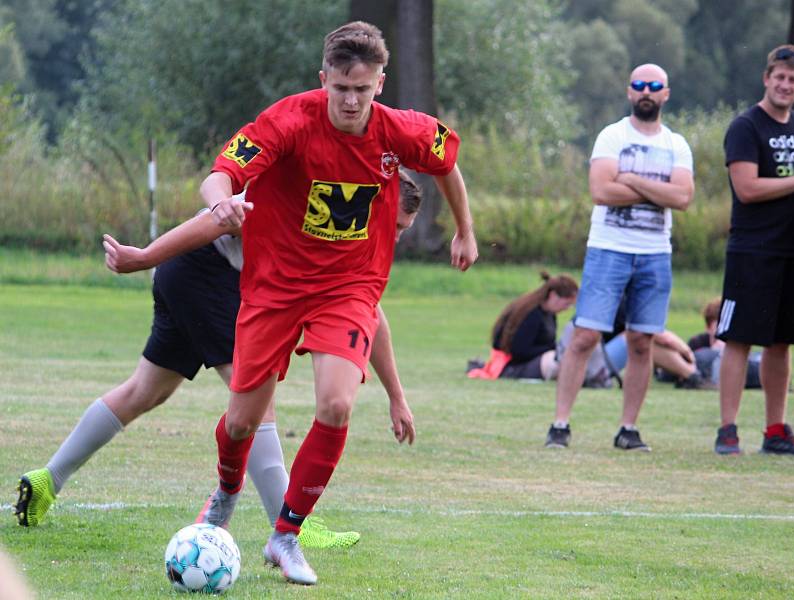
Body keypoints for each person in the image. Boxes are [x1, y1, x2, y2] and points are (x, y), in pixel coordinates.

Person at [173, 21, 476, 586]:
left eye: (362, 89)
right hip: (275, 289)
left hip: (349, 288)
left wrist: (465, 229)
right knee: (240, 423)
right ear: (324, 80)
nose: (351, 101)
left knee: (337, 405)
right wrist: (222, 208)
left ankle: (286, 535)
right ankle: (225, 493)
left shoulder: (400, 130)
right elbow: (220, 175)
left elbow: (447, 163)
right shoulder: (287, 120)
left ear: (380, 83)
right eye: (341, 88)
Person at [14, 172, 424, 553]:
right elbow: (215, 221)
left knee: (146, 391)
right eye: (399, 225)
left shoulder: (354, 233)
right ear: (379, 202)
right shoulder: (314, 202)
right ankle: (289, 525)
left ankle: (48, 480)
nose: (399, 236)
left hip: (192, 277)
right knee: (257, 399)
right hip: (204, 274)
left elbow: (369, 309)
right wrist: (143, 257)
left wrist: (397, 396)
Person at [545, 63, 695, 451]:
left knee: (642, 342)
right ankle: (560, 424)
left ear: (666, 93)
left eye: (654, 86)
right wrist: (657, 189)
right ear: (629, 92)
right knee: (584, 337)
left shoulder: (676, 145)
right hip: (608, 249)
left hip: (654, 254)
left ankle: (628, 429)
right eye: (639, 85)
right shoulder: (612, 136)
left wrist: (630, 180)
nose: (646, 91)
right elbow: (601, 191)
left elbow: (683, 198)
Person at [713, 45, 794, 456]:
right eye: (780, 77)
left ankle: (775, 429)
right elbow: (747, 189)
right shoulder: (746, 126)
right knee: (739, 339)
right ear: (766, 79)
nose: (786, 85)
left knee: (781, 342)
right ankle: (728, 429)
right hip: (752, 252)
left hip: (792, 253)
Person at [466, 272, 577, 380]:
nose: (567, 308)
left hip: (529, 361)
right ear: (553, 295)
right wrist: (552, 349)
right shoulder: (532, 314)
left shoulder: (549, 315)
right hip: (512, 366)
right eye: (567, 303)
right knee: (555, 360)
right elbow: (519, 351)